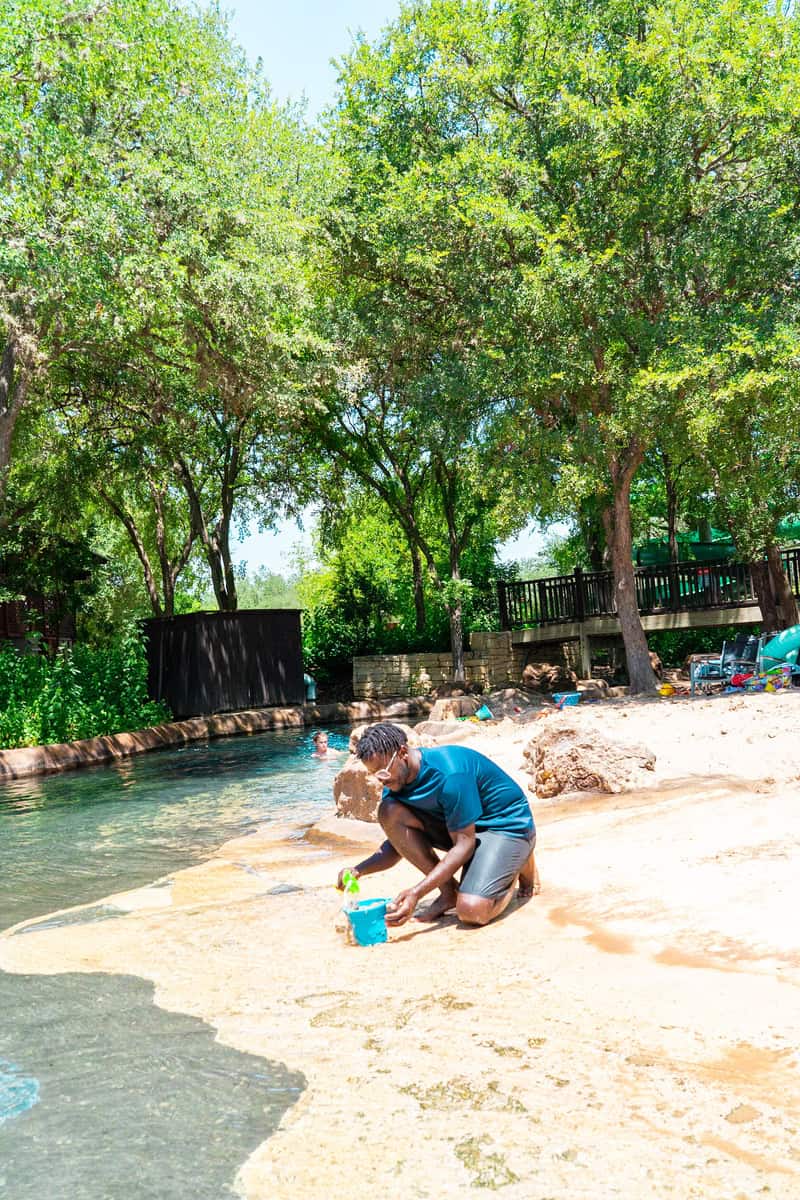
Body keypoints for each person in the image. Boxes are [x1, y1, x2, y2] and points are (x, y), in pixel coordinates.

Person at [336, 722, 538, 927]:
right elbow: (399, 845)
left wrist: (417, 892)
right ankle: (449, 893)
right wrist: (358, 870)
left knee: (472, 910)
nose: (381, 780)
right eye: (374, 774)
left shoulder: (450, 774)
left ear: (403, 752)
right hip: (462, 828)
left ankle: (517, 861)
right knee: (388, 811)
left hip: (504, 826)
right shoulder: (396, 781)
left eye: (383, 772)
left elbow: (464, 845)